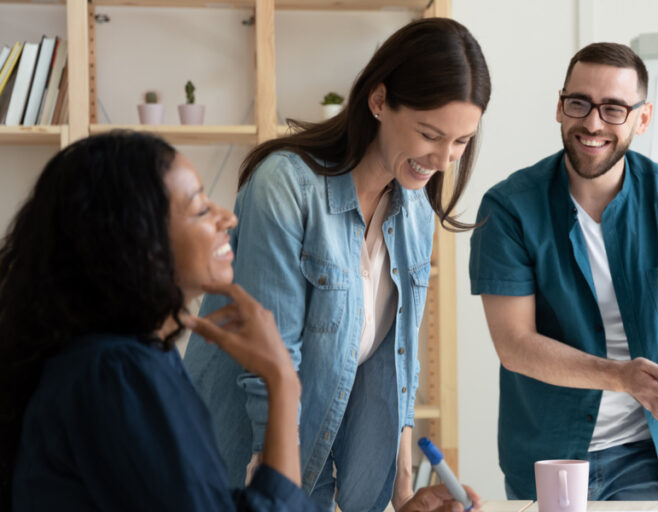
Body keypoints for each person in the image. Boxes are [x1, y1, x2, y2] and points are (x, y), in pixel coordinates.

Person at [182, 17, 489, 512]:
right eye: (431, 134)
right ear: (379, 101)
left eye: (461, 141)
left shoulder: (415, 210)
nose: (443, 160)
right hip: (238, 470)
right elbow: (270, 363)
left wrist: (403, 496)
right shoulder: (286, 186)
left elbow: (399, 365)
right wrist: (275, 495)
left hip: (311, 472)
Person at [0, 131, 318, 511]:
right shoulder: (118, 373)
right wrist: (282, 381)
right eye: (201, 209)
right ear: (139, 244)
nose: (228, 218)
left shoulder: (125, 361)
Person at [469, 42, 658, 501]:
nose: (592, 123)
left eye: (613, 109)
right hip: (547, 453)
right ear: (559, 106)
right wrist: (621, 377)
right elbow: (515, 345)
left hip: (651, 452)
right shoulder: (509, 207)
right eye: (579, 104)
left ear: (642, 119)